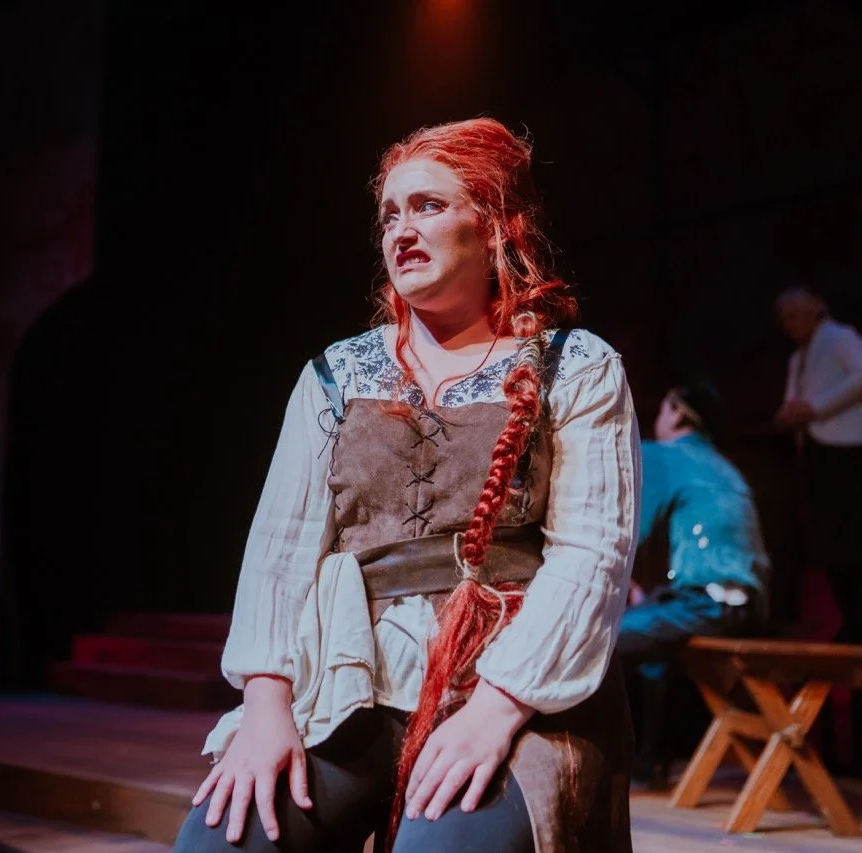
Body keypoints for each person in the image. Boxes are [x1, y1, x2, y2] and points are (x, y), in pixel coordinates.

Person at [172, 117, 641, 853]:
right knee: (225, 839)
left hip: (517, 686)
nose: (401, 229)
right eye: (390, 213)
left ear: (493, 228)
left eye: (428, 205)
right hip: (357, 676)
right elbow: (280, 548)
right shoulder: (336, 374)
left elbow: (592, 557)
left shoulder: (574, 366)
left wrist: (494, 709)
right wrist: (266, 706)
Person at [616, 379, 771, 789]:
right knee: (651, 648)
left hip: (707, 604)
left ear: (678, 413)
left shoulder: (667, 456)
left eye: (663, 409)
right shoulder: (725, 465)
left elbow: (628, 532)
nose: (658, 419)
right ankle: (649, 765)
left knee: (597, 642)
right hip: (748, 606)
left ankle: (603, 768)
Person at [773, 285, 862, 645]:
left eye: (794, 314)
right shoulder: (798, 357)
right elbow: (794, 402)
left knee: (849, 538)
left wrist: (816, 408)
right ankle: (850, 618)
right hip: (815, 454)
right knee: (830, 544)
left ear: (815, 309)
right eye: (783, 319)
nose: (789, 324)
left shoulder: (839, 336)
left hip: (846, 451)